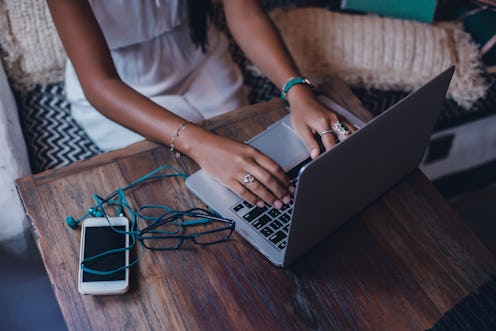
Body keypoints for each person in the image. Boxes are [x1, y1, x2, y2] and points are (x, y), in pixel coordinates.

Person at [47, 0, 369, 210]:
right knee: (187, 189)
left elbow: (246, 13)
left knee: (258, 161)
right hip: (121, 83)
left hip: (199, 54)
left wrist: (298, 91)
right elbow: (99, 83)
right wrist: (199, 145)